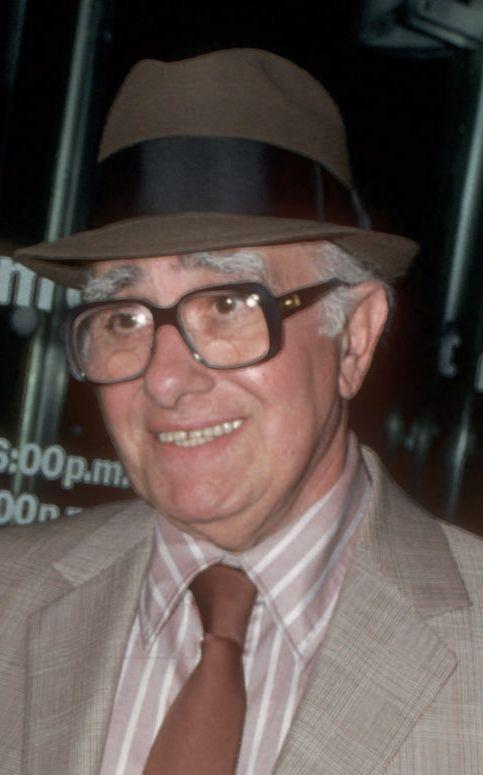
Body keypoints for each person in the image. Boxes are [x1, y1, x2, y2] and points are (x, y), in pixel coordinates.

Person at [1, 48, 482, 775]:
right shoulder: (10, 597)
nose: (166, 380)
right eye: (123, 318)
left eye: (228, 304)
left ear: (354, 337)